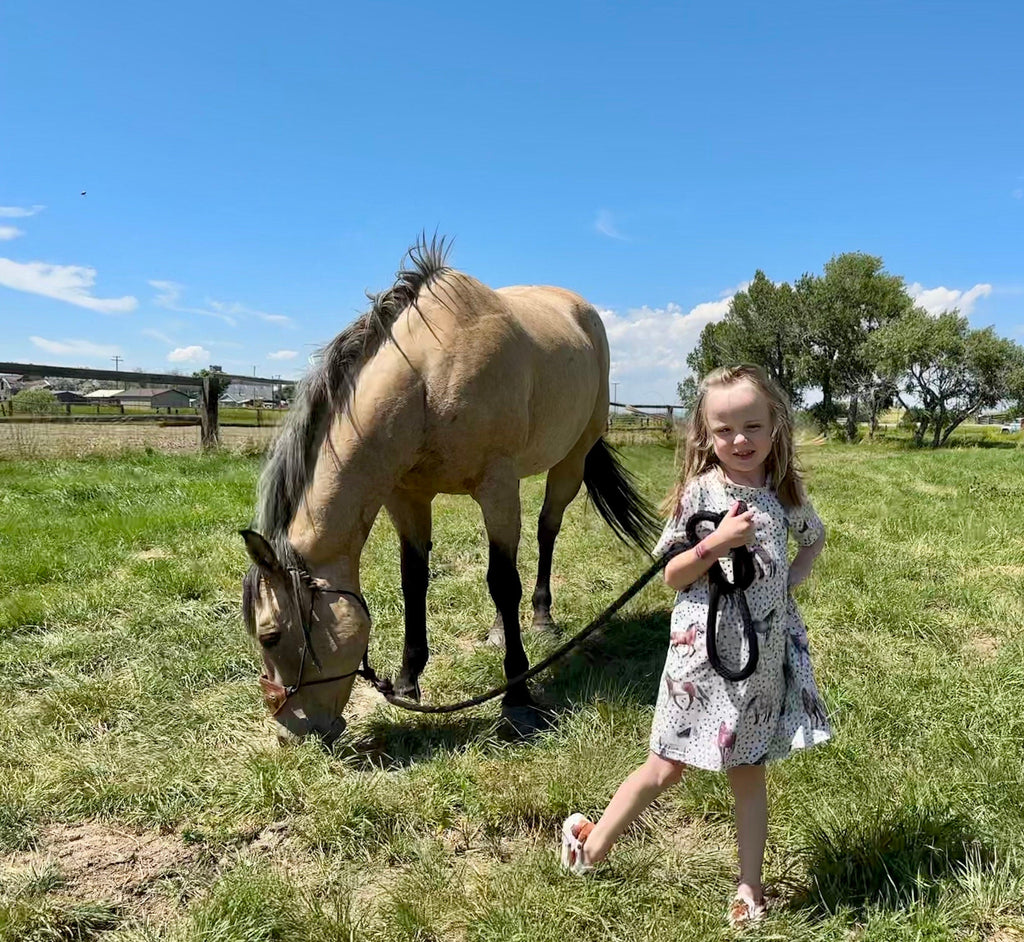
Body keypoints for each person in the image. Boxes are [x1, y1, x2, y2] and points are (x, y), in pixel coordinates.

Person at [559, 364, 832, 928]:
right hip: (699, 657)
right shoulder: (701, 492)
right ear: (706, 435)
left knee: (748, 771)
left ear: (775, 427)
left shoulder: (784, 491)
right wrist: (718, 543)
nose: (740, 440)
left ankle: (749, 886)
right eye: (725, 429)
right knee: (665, 767)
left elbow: (814, 537)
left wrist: (790, 580)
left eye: (752, 426)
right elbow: (673, 573)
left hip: (759, 661)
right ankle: (591, 845)